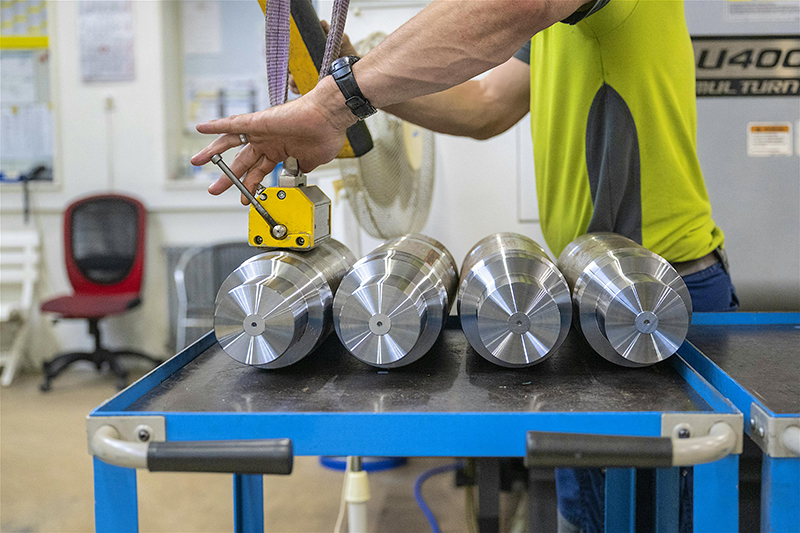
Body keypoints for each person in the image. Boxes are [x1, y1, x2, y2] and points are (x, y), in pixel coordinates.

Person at [193, 1, 739, 531]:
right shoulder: (557, 28)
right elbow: (485, 106)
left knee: (652, 517)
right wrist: (354, 78)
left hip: (654, 293)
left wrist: (338, 99)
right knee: (594, 515)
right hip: (592, 296)